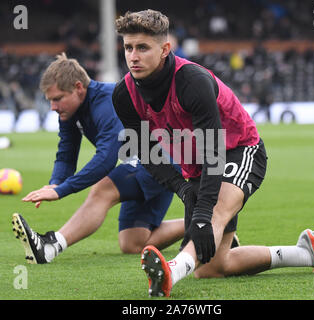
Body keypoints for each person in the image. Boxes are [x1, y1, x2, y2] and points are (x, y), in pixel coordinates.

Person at [112, 10, 314, 297]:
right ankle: (306, 253)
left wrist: (202, 211)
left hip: (239, 150)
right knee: (212, 268)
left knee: (213, 212)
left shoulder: (191, 81)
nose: (133, 56)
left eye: (142, 47)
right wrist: (181, 188)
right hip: (198, 169)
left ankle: (172, 270)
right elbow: (147, 152)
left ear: (165, 49)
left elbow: (214, 148)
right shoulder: (124, 95)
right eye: (128, 47)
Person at [13, 53, 185, 264]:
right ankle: (207, 224)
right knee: (132, 243)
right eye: (50, 101)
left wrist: (61, 191)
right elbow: (66, 153)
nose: (53, 107)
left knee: (104, 188)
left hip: (163, 158)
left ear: (78, 87)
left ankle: (51, 245)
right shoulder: (70, 111)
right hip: (143, 161)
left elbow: (106, 159)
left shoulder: (108, 101)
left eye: (57, 99)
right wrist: (54, 183)